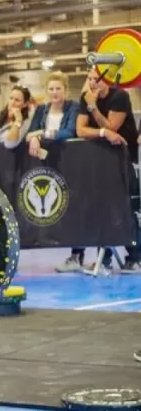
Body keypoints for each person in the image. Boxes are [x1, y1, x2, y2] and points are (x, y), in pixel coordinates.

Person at [68, 67, 141, 275]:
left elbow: (113, 126)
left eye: (96, 80)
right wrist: (102, 132)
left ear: (106, 81)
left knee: (128, 208)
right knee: (102, 209)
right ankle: (106, 259)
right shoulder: (85, 97)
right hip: (100, 160)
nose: (92, 84)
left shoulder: (120, 97)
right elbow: (81, 130)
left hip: (125, 159)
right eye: (89, 79)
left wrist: (93, 109)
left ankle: (135, 258)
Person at [26, 71, 78, 159]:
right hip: (46, 156)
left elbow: (69, 132)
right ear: (47, 91)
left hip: (67, 154)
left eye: (58, 88)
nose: (54, 92)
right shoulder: (41, 109)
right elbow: (30, 133)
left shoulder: (73, 107)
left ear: (65, 90)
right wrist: (33, 138)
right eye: (51, 89)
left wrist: (43, 134)